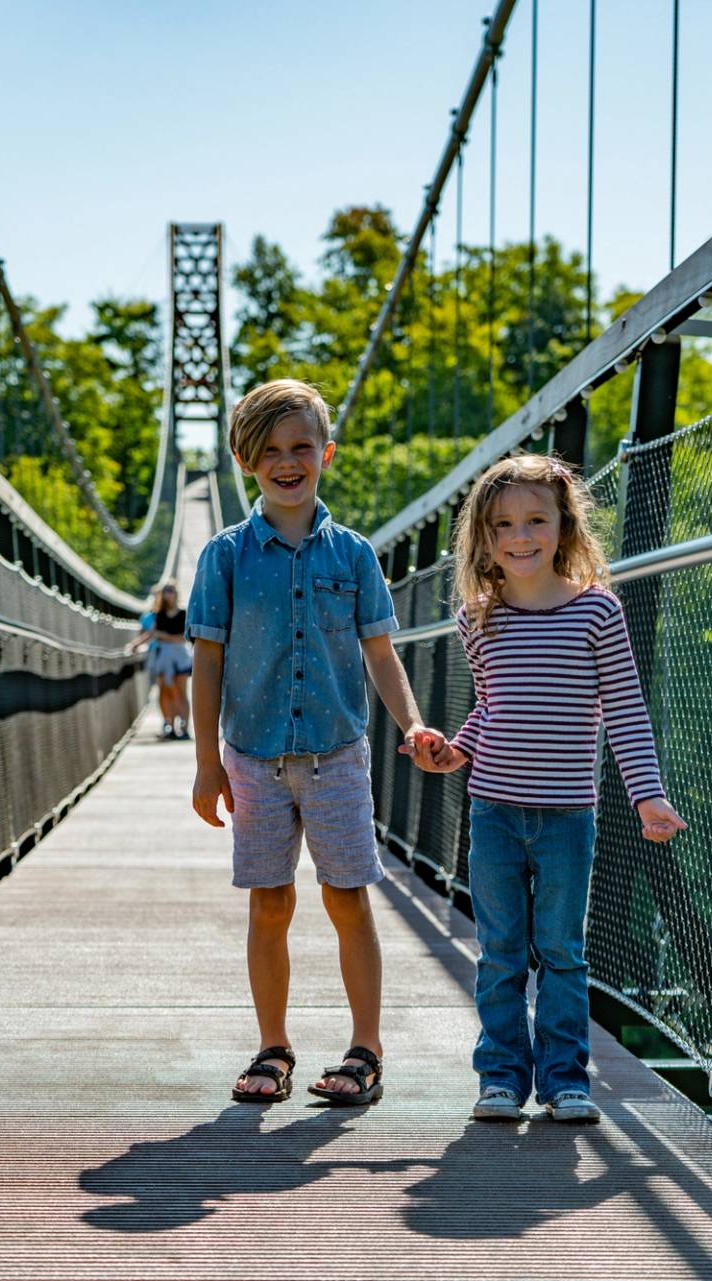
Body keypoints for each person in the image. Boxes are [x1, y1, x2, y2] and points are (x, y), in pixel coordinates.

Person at [187, 378, 442, 1108]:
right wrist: (207, 762)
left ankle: (366, 1048)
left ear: (326, 452)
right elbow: (206, 660)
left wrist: (413, 722)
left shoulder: (355, 555)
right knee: (269, 903)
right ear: (245, 461)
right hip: (255, 759)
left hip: (337, 754)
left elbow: (381, 654)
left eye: (302, 446)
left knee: (347, 898)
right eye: (269, 451)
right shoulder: (226, 557)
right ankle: (274, 1046)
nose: (287, 461)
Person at [413, 453, 685, 1126]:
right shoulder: (478, 617)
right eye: (503, 524)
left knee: (562, 952)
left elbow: (623, 707)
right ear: (484, 536)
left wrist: (647, 795)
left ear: (564, 526)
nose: (521, 536)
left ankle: (566, 1079)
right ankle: (501, 1077)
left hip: (568, 815)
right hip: (495, 810)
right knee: (501, 953)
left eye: (536, 520)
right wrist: (455, 750)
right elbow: (490, 704)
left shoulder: (596, 611)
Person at [128, 581, 193, 739]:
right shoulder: (159, 615)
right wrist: (134, 644)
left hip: (180, 656)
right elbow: (151, 634)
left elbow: (185, 638)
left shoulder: (184, 614)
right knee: (164, 692)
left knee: (180, 693)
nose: (168, 593)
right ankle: (168, 725)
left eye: (171, 590)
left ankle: (183, 728)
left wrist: (164, 637)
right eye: (166, 591)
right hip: (163, 658)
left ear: (176, 593)